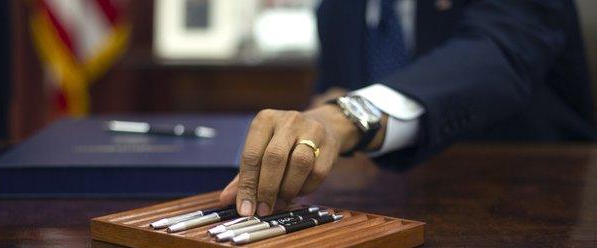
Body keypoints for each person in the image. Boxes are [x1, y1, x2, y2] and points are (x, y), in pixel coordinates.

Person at [219, 0, 596, 216]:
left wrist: (348, 114)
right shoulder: (336, 9)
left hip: (531, 207)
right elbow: (330, 98)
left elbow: (497, 55)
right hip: (385, 210)